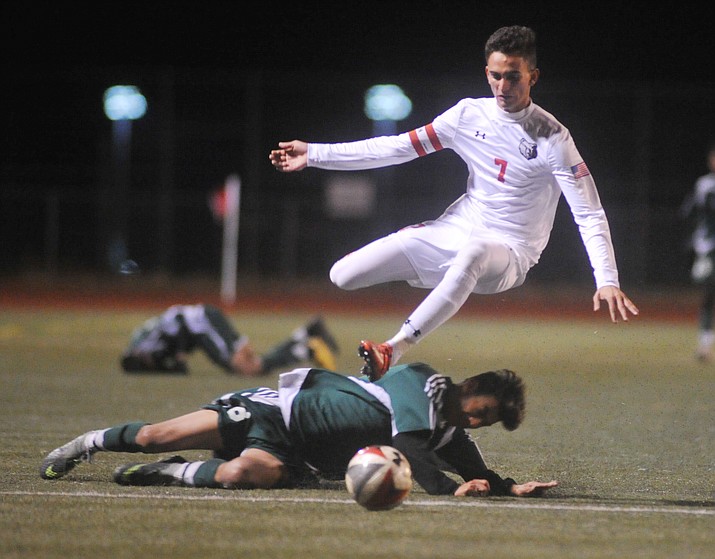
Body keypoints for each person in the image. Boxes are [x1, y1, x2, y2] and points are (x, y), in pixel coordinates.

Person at [269, 25, 639, 380]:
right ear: (486, 72)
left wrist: (606, 279)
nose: (502, 85)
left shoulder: (553, 138)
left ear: (533, 77)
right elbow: (397, 147)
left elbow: (588, 212)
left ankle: (392, 349)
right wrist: (315, 153)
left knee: (475, 252)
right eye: (495, 75)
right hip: (456, 230)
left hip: (510, 253)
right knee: (343, 276)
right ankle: (450, 284)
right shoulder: (467, 115)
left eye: (513, 76)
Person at [40, 362, 557, 498]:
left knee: (242, 473)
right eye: (481, 409)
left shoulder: (446, 436)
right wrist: (447, 487)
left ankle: (167, 475)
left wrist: (511, 487)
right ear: (469, 389)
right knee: (156, 433)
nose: (476, 422)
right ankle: (86, 444)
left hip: (293, 455)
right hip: (275, 413)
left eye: (486, 422)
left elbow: (474, 468)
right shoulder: (422, 383)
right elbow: (407, 446)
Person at [120, 304, 338, 375]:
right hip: (201, 330)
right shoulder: (146, 349)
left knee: (245, 366)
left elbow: (177, 318)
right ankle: (307, 335)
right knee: (248, 367)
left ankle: (308, 349)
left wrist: (180, 352)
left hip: (203, 321)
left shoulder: (144, 342)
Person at [679, 143, 715, 360]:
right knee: (708, 295)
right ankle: (704, 346)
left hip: (707, 247)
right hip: (709, 247)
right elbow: (688, 211)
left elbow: (687, 211)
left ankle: (704, 346)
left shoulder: (704, 185)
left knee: (708, 295)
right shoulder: (704, 184)